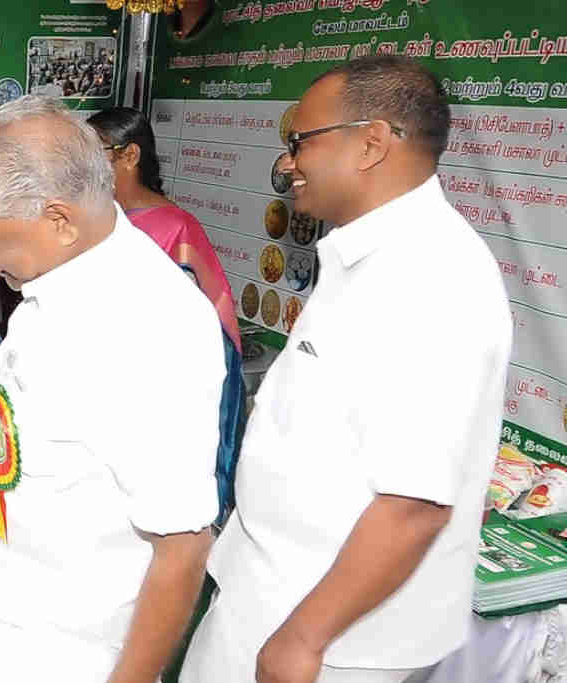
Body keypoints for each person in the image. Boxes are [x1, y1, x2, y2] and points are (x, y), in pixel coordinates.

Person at [181, 55, 512, 683]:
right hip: (270, 597)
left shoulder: (433, 279)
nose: (287, 162)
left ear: (371, 143)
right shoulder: (370, 255)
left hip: (327, 639)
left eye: (299, 140)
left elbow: (413, 502)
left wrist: (306, 637)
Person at [0, 95, 225, 682]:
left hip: (71, 648)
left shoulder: (150, 329)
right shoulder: (61, 277)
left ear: (60, 221)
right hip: (10, 609)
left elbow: (183, 547)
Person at [87, 106, 243, 526]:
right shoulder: (92, 223)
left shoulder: (176, 229)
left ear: (129, 156)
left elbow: (215, 329)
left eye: (93, 151)